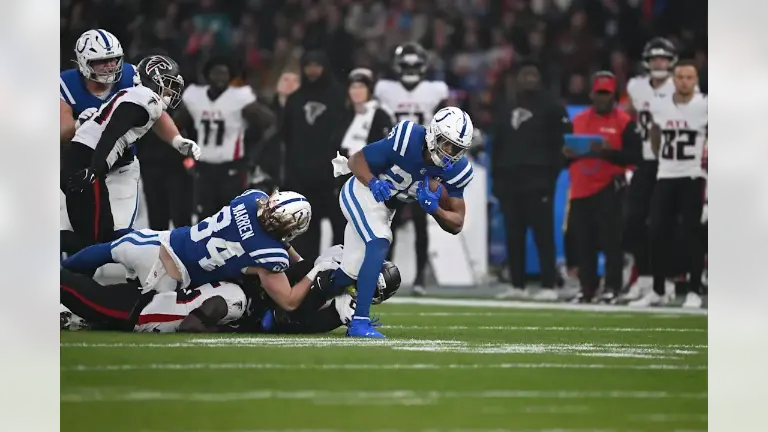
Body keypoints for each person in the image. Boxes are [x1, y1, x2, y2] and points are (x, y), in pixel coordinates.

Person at [329, 106, 475, 338]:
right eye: (445, 143)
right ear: (432, 133)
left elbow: (457, 223)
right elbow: (357, 160)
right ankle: (360, 322)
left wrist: (435, 209)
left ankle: (299, 300)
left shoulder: (457, 170)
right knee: (380, 240)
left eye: (456, 148)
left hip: (384, 209)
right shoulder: (407, 139)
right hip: (362, 191)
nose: (449, 152)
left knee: (349, 272)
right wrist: (373, 182)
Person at [61, 189, 319, 315]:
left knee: (104, 250)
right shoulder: (269, 255)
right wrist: (314, 269)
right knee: (112, 307)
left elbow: (262, 235)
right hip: (167, 273)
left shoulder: (251, 198)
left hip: (160, 239)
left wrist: (297, 259)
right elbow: (288, 300)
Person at [60, 245, 401, 334]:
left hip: (166, 274)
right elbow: (211, 312)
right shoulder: (240, 296)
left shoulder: (250, 282)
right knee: (80, 289)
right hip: (145, 306)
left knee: (91, 298)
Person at [59, 31, 191, 254]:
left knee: (119, 235)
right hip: (82, 165)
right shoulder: (67, 82)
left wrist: (176, 139)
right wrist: (78, 124)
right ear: (83, 62)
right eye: (101, 61)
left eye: (114, 59)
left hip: (121, 164)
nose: (110, 66)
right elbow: (61, 131)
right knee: (77, 233)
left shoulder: (133, 74)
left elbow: (156, 112)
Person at [491, 60, 572, 301]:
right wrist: (498, 180)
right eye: (524, 75)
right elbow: (498, 146)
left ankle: (548, 286)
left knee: (543, 235)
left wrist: (551, 178)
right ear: (517, 79)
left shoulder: (553, 108)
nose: (528, 79)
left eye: (532, 74)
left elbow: (563, 146)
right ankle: (518, 285)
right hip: (510, 182)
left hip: (538, 181)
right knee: (513, 235)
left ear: (539, 78)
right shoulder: (506, 108)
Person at [630, 61, 708, 308]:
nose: (684, 81)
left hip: (693, 175)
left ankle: (694, 290)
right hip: (666, 175)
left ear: (695, 80)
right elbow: (655, 135)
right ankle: (659, 289)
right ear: (674, 79)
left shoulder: (705, 105)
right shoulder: (660, 105)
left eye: (689, 77)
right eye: (680, 76)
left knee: (691, 234)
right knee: (656, 232)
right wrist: (663, 159)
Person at [374, 42, 450, 296]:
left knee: (421, 221)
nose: (409, 69)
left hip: (423, 162)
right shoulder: (385, 89)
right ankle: (383, 274)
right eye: (405, 65)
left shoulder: (435, 91)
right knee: (388, 223)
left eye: (414, 65)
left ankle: (419, 278)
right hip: (394, 161)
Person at [565, 71, 642, 303]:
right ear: (591, 94)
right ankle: (587, 287)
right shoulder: (577, 121)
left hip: (610, 187)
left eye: (606, 94)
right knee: (584, 241)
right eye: (599, 93)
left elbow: (635, 156)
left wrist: (608, 153)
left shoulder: (624, 122)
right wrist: (566, 155)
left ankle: (612, 287)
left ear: (614, 96)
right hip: (580, 188)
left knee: (612, 242)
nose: (602, 98)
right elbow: (563, 156)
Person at [174, 56, 276, 220]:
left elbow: (269, 123)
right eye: (216, 74)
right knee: (205, 218)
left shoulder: (239, 98)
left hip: (231, 168)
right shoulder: (196, 97)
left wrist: (251, 152)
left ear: (231, 76)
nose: (220, 78)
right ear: (207, 75)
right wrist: (187, 154)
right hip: (204, 167)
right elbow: (175, 126)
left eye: (224, 74)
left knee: (231, 216)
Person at [622, 37, 679, 301]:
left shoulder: (680, 86)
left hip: (670, 163)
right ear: (647, 61)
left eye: (663, 58)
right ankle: (644, 278)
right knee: (634, 221)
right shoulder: (636, 86)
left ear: (671, 62)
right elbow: (627, 113)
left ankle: (665, 282)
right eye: (654, 58)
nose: (658, 63)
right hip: (644, 162)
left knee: (662, 224)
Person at [281, 50, 347, 257]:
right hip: (301, 176)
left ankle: (338, 271)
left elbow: (346, 135)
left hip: (333, 177)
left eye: (317, 65)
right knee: (305, 229)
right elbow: (286, 137)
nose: (312, 70)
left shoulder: (339, 98)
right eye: (308, 65)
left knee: (341, 227)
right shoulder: (294, 100)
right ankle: (306, 276)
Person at [337, 68, 395, 157]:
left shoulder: (380, 116)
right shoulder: (344, 115)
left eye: (361, 87)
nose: (357, 91)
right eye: (353, 87)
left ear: (369, 90)